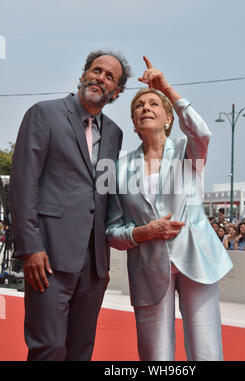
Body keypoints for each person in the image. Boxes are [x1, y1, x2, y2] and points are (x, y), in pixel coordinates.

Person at [106, 57, 233, 361]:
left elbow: (202, 132)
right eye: (139, 106)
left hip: (197, 260)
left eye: (153, 104)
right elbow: (111, 230)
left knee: (206, 351)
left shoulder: (187, 152)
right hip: (148, 267)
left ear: (167, 118)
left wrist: (165, 87)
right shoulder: (119, 168)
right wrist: (144, 232)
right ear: (135, 124)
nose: (146, 107)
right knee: (155, 355)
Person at [9, 50, 131, 361]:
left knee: (80, 351)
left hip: (93, 266)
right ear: (84, 74)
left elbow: (105, 195)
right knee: (48, 348)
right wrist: (29, 247)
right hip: (48, 259)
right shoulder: (44, 114)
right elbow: (24, 185)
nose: (100, 78)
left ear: (116, 92)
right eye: (96, 70)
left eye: (109, 77)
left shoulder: (115, 134)